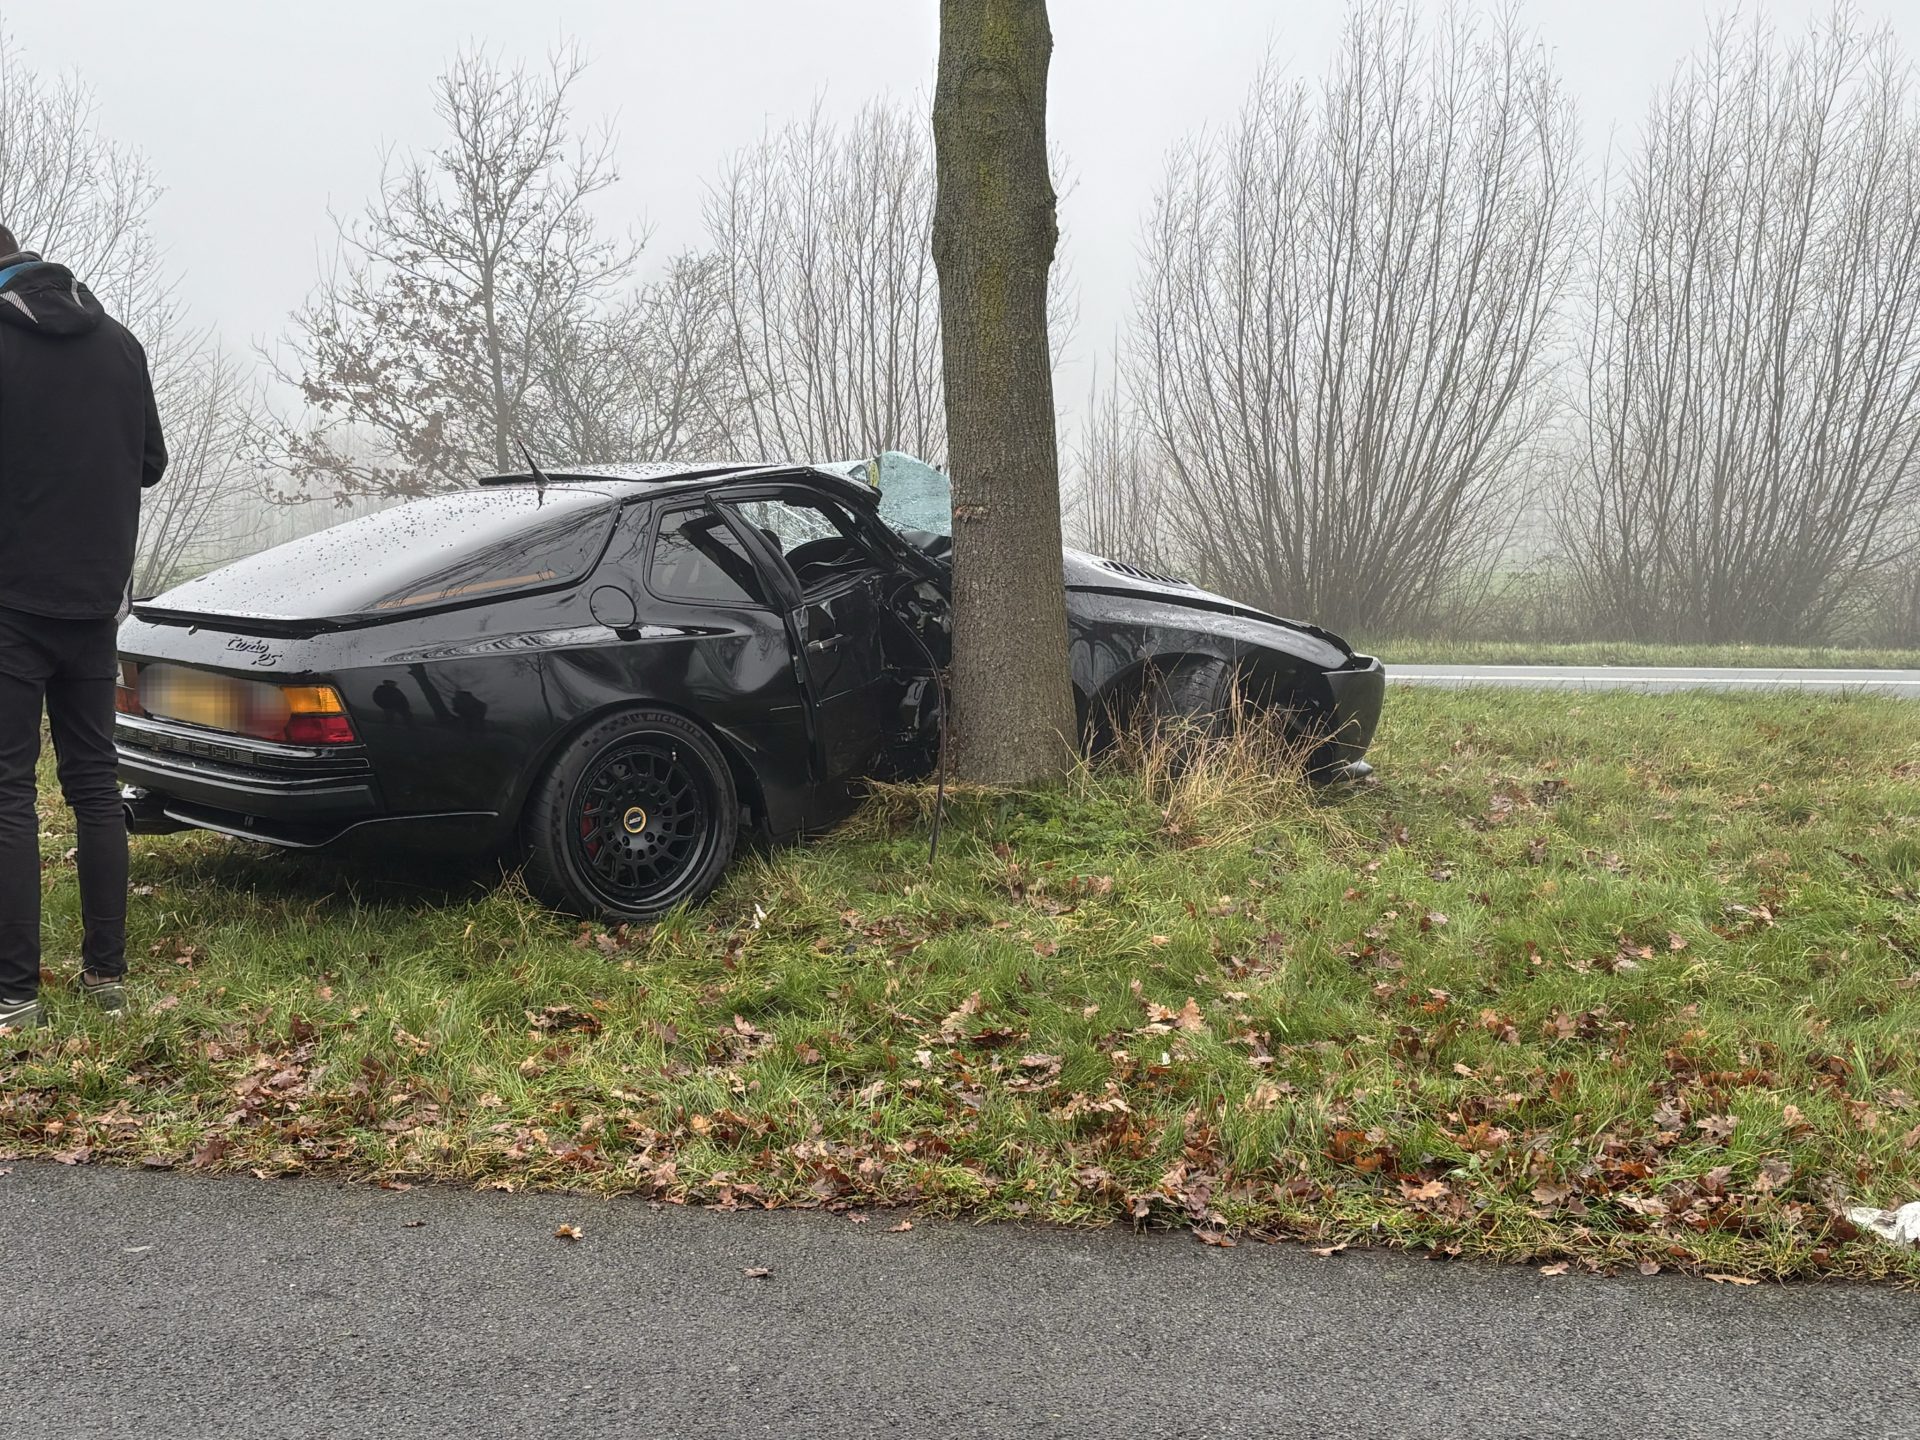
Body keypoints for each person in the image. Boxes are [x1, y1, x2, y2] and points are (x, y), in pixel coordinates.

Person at [0, 227, 167, 1031]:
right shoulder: (121, 345)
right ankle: (107, 983)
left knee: (7, 796)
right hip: (96, 602)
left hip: (10, 604)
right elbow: (149, 462)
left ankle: (15, 998)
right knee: (96, 790)